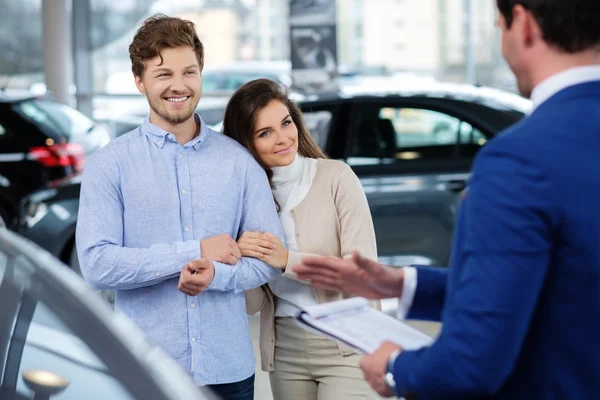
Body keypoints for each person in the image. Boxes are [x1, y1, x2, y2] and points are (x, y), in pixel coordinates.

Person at [294, 0, 600, 398]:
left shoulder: (519, 159)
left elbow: (471, 364)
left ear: (522, 24)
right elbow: (563, 285)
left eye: (499, 27)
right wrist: (404, 284)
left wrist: (395, 367)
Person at [76, 15, 285, 400]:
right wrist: (193, 252)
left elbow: (269, 258)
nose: (179, 85)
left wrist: (215, 275)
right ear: (139, 81)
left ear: (200, 72)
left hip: (228, 372)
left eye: (189, 71)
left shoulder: (239, 162)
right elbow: (97, 264)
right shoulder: (109, 165)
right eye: (163, 74)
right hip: (144, 372)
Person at [222, 78, 380, 399]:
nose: (283, 138)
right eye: (265, 133)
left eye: (286, 123)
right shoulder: (246, 199)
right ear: (246, 143)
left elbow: (362, 274)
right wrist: (240, 257)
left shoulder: (337, 177)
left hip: (347, 340)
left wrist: (285, 260)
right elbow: (252, 305)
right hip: (286, 348)